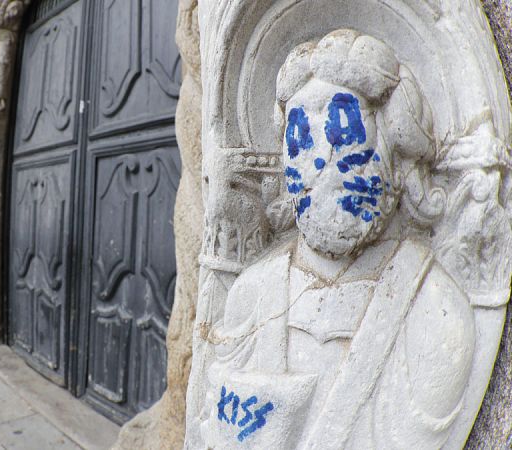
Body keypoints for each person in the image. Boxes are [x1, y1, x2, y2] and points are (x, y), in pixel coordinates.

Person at [203, 30, 474, 449]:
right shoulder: (252, 294)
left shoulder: (434, 310)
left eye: (342, 135)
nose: (318, 162)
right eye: (300, 139)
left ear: (396, 153)